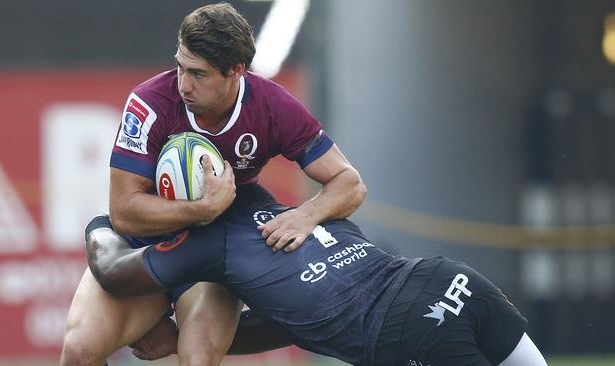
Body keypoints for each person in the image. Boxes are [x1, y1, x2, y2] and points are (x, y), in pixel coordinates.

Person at [60, 3, 366, 366]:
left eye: (198, 74)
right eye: (179, 66)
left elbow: (350, 183)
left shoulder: (272, 106)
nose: (183, 84)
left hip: (216, 251)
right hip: (146, 247)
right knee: (80, 351)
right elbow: (124, 212)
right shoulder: (150, 102)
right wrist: (202, 208)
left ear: (236, 70)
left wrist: (306, 215)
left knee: (198, 358)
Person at [84, 198, 548, 366]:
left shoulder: (212, 244)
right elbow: (293, 322)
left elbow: (112, 273)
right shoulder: (301, 213)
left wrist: (105, 221)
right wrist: (180, 339)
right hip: (451, 279)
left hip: (408, 330)